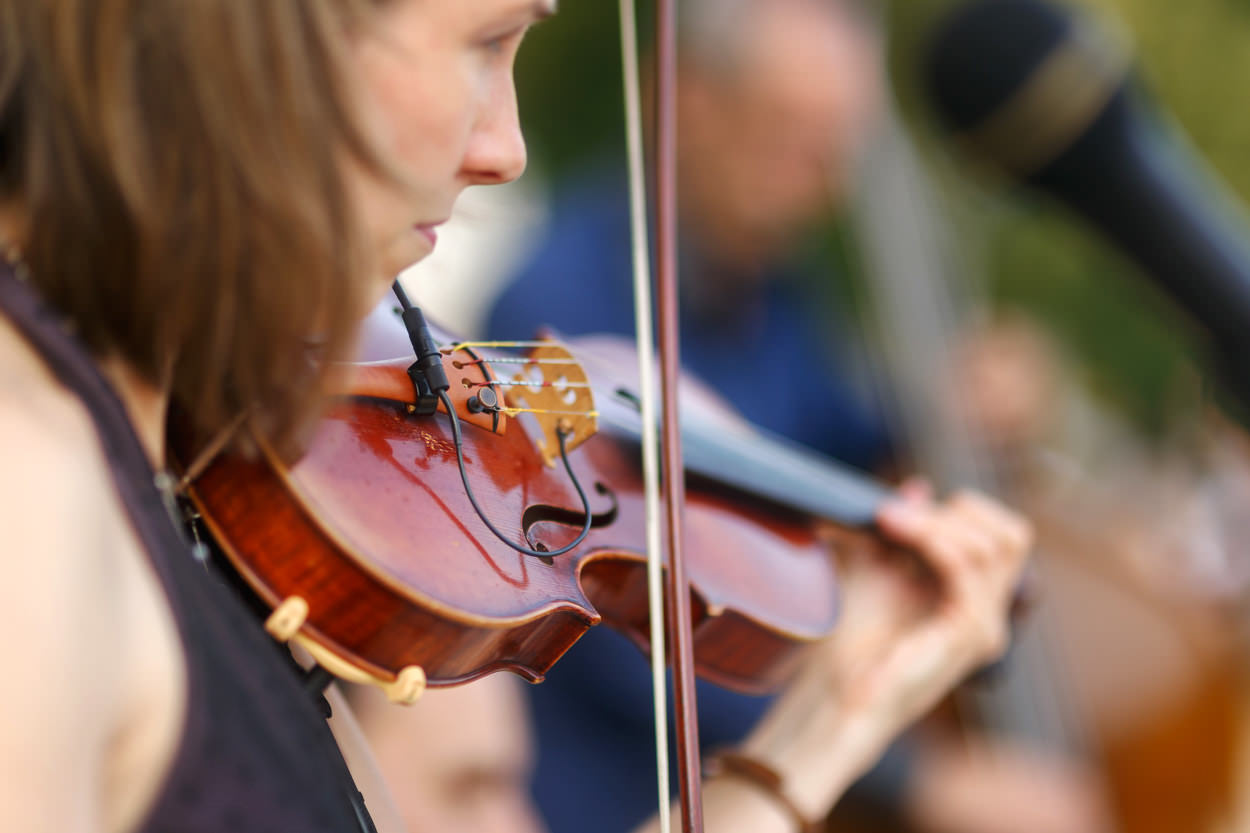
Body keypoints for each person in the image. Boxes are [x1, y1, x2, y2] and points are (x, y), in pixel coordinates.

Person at [0, 2, 1031, 832]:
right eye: (485, 41)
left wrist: (832, 721)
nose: (506, 149)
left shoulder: (171, 471)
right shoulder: (29, 497)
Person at [485, 2, 1108, 833]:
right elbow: (604, 613)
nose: (820, 180)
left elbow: (835, 457)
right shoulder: (552, 308)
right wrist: (908, 775)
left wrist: (950, 414)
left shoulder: (776, 294)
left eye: (834, 148)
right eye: (788, 136)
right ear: (691, 103)